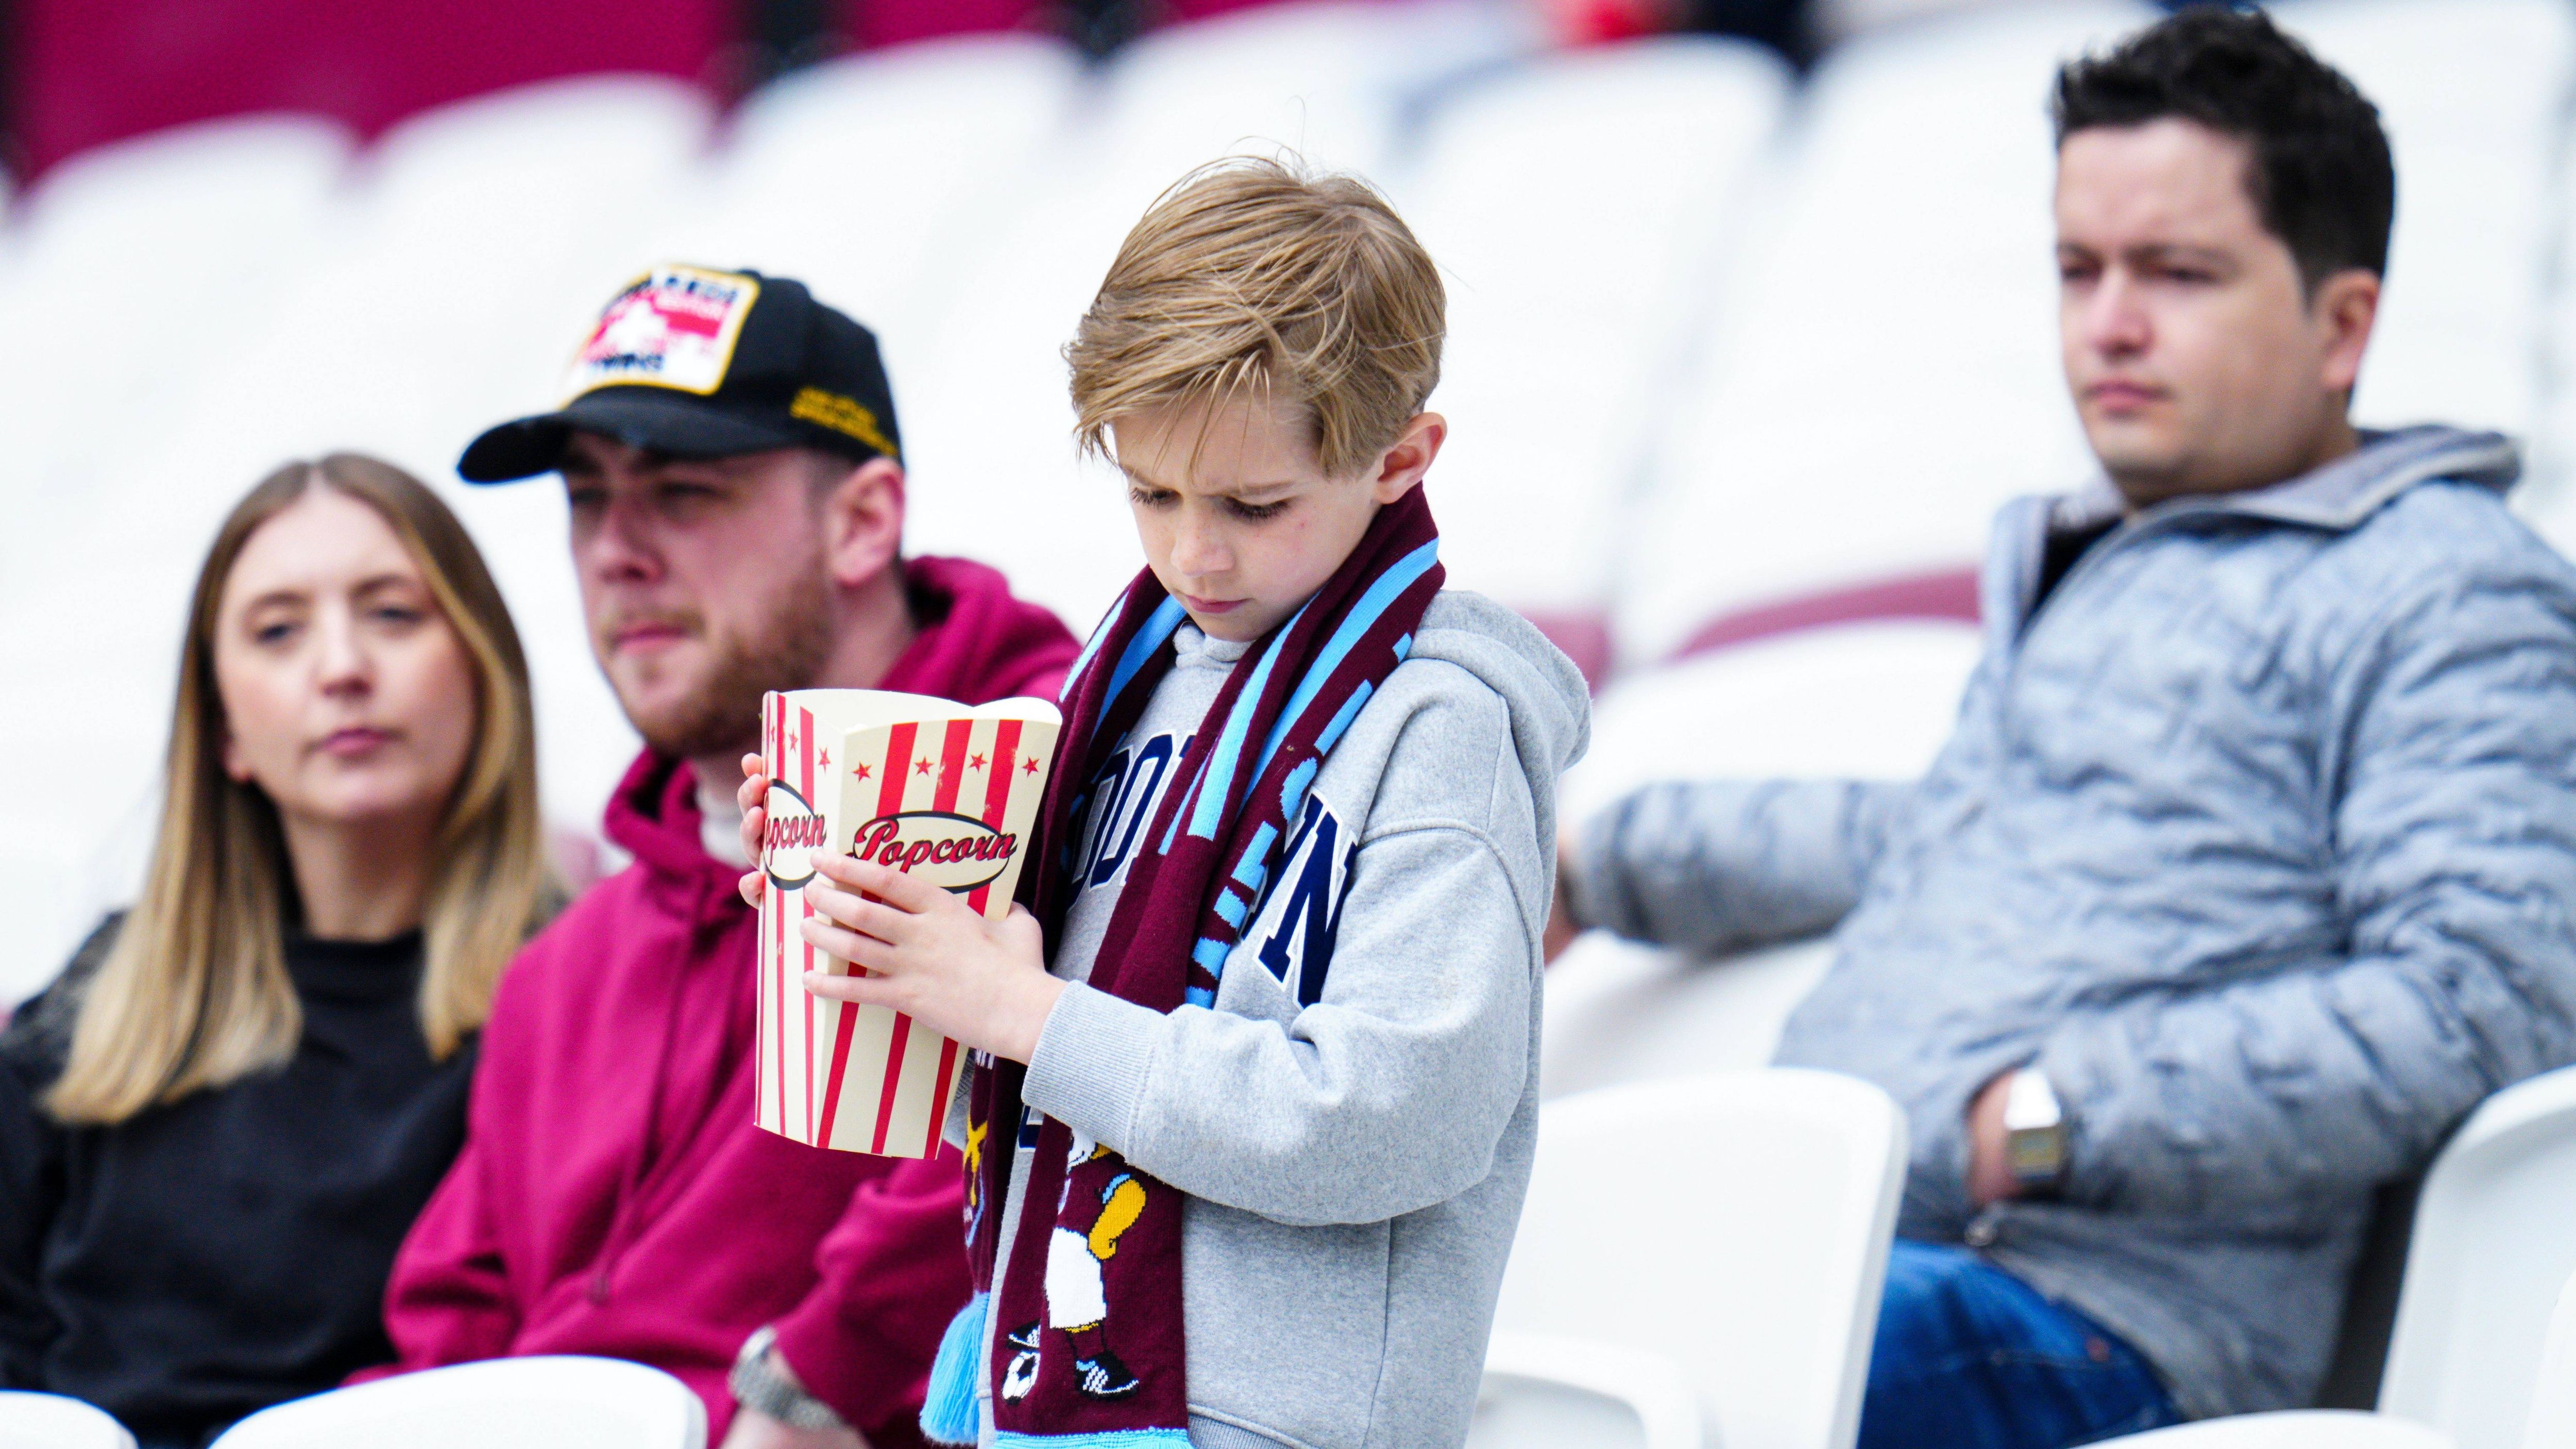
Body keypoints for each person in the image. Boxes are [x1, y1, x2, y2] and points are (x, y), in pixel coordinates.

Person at [1554, 10, 2576, 1446]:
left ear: (2344, 322)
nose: (2109, 324)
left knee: (1651, 1361)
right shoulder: (2111, 551)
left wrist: (2046, 1118)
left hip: (2093, 1323)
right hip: (1853, 1246)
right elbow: (1945, 837)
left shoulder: (2449, 581)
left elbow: (2491, 995)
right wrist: (1596, 864)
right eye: (2079, 268)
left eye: (2178, 272)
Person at [739, 159, 1588, 1449]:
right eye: (1152, 494)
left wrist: (1021, 1009)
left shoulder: (1441, 729)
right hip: (1036, 1381)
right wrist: (861, 901)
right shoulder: (1123, 678)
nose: (1196, 553)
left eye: (1254, 505)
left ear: (1400, 458)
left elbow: (1394, 1121)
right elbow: (1024, 1032)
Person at [360, 265, 1081, 1448]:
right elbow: (445, 1339)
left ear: (861, 521)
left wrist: (812, 1384)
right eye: (587, 499)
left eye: (683, 492)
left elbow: (1032, 1160)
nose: (616, 553)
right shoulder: (565, 966)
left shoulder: (1060, 778)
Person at [0, 455, 554, 1447]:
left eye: (391, 613)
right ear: (225, 732)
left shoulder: (573, 995)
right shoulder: (102, 1001)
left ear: (483, 669)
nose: (341, 667)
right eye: (278, 630)